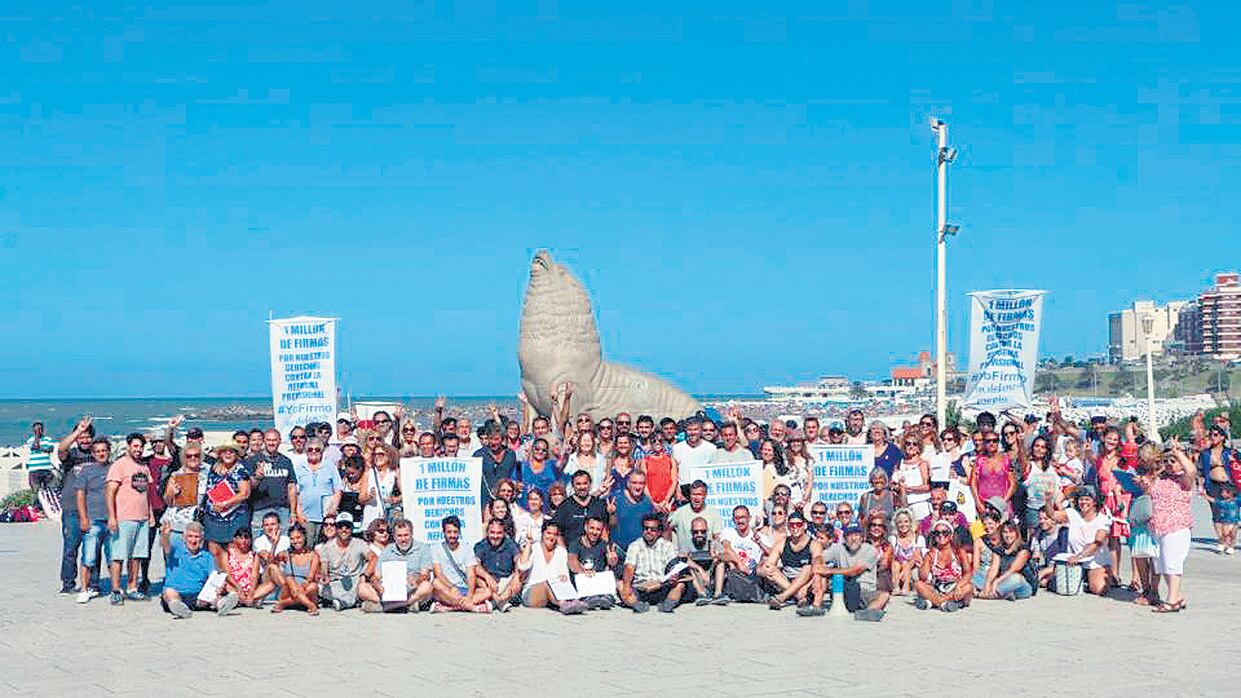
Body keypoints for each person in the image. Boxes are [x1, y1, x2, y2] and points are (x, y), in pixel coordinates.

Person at [105, 433, 155, 605]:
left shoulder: (144, 467)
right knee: (118, 555)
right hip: (124, 518)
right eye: (135, 446)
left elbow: (146, 494)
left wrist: (150, 514)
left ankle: (132, 587)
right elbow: (110, 492)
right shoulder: (119, 465)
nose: (138, 450)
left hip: (142, 518)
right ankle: (116, 589)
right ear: (128, 446)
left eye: (141, 447)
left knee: (137, 556)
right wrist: (112, 516)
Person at [159, 521, 238, 618]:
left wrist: (219, 586)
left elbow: (213, 575)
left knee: (212, 594)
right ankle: (179, 608)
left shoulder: (207, 556)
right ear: (184, 537)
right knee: (169, 593)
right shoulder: (175, 550)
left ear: (202, 538)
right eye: (190, 536)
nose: (193, 540)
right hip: (176, 592)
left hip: (197, 595)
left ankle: (222, 604)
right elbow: (164, 544)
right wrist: (165, 535)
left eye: (196, 537)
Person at [1152, 440, 1197, 612]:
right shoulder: (1161, 479)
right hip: (1159, 526)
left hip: (1177, 526)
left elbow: (1191, 470)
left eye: (1173, 461)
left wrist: (1178, 453)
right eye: (1167, 460)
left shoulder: (1183, 479)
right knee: (1163, 564)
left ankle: (1171, 600)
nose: (1169, 464)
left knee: (1172, 563)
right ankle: (1177, 596)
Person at [57, 416, 98, 593]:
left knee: (93, 548)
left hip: (93, 509)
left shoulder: (97, 455)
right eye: (82, 437)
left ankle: (93, 584)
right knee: (70, 548)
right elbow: (61, 448)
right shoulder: (72, 455)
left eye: (88, 436)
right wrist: (78, 431)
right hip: (72, 508)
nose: (85, 440)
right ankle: (68, 583)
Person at [1048, 486, 1112, 595]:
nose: (1083, 502)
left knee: (1098, 589)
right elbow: (1053, 515)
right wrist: (1048, 500)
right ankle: (1082, 579)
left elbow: (1097, 543)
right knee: (1046, 582)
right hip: (1073, 560)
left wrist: (1079, 557)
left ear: (1095, 502)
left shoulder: (1103, 519)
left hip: (1094, 562)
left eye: (1087, 499)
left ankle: (1106, 576)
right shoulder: (1072, 513)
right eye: (1081, 499)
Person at [820, 523, 889, 621]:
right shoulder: (839, 548)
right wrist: (818, 564)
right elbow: (820, 557)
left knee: (884, 595)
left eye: (857, 535)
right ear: (845, 539)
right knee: (820, 574)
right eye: (849, 535)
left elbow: (856, 570)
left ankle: (867, 612)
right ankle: (816, 605)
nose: (853, 538)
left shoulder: (870, 550)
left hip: (865, 590)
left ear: (862, 538)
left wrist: (829, 571)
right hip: (846, 589)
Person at [518, 520, 587, 614]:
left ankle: (572, 601)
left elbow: (564, 574)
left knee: (559, 583)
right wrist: (529, 544)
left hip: (554, 590)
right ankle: (562, 604)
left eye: (555, 534)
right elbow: (522, 567)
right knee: (547, 584)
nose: (551, 537)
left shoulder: (561, 551)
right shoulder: (534, 548)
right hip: (532, 593)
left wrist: (563, 577)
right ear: (543, 533)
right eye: (549, 533)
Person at [74, 438, 113, 604]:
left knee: (113, 558)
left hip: (112, 520)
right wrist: (83, 517)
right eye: (97, 451)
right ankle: (84, 589)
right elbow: (80, 494)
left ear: (109, 451)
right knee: (88, 557)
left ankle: (116, 589)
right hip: (93, 520)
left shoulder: (114, 468)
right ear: (93, 454)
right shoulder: (87, 470)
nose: (101, 454)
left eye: (103, 450)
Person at [620, 514, 685, 613]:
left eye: (652, 529)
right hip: (640, 589)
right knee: (621, 584)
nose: (648, 531)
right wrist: (627, 587)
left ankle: (668, 604)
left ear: (659, 532)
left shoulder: (668, 546)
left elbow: (673, 568)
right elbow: (629, 567)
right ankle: (636, 604)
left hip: (662, 587)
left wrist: (672, 578)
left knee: (680, 585)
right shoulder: (634, 546)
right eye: (646, 528)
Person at [763, 511, 824, 613]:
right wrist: (766, 568)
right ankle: (797, 595)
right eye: (791, 525)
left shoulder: (814, 544)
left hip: (805, 583)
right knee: (769, 569)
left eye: (798, 524)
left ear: (804, 525)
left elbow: (818, 569)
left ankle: (783, 597)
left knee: (809, 567)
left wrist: (806, 587)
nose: (795, 527)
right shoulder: (782, 543)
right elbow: (769, 564)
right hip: (786, 581)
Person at [370, 518, 434, 613]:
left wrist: (417, 580)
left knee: (427, 586)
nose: (403, 539)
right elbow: (376, 576)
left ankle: (388, 607)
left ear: (412, 534)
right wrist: (377, 585)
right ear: (394, 537)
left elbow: (425, 575)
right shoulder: (387, 550)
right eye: (399, 536)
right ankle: (407, 605)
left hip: (412, 589)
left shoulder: (423, 548)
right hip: (390, 589)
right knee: (362, 588)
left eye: (406, 535)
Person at [318, 511, 377, 611]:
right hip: (335, 581)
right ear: (336, 528)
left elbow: (373, 558)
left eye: (347, 527)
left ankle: (343, 601)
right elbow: (324, 566)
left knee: (362, 587)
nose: (344, 530)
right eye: (340, 526)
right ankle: (349, 601)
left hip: (355, 580)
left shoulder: (359, 543)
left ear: (352, 528)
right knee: (319, 587)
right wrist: (324, 575)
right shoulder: (326, 547)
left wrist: (364, 575)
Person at [430, 515, 489, 613]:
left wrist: (469, 595)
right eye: (449, 532)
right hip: (447, 589)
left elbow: (471, 574)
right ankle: (472, 607)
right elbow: (439, 573)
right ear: (443, 532)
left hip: (464, 588)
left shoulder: (466, 548)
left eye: (455, 532)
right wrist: (451, 587)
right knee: (435, 583)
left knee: (487, 591)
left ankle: (451, 608)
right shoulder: (435, 548)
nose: (452, 535)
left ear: (459, 532)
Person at [247, 429, 298, 539]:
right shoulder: (253, 460)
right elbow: (248, 488)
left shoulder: (286, 461)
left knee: (284, 541)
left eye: (274, 440)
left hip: (282, 508)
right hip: (260, 508)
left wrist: (293, 512)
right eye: (269, 440)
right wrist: (257, 477)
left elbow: (291, 487)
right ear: (264, 441)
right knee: (259, 542)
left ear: (280, 441)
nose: (271, 443)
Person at [912, 519, 973, 612]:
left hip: (954, 587)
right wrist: (927, 560)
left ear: (951, 535)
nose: (941, 535)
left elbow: (968, 573)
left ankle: (933, 602)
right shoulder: (931, 554)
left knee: (968, 587)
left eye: (945, 532)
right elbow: (923, 578)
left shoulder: (959, 552)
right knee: (918, 584)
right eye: (937, 533)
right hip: (937, 588)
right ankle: (944, 603)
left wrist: (959, 586)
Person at [711, 505, 766, 604]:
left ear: (749, 518)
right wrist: (738, 564)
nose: (740, 521)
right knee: (721, 558)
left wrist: (760, 544)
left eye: (743, 517)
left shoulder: (759, 536)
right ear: (733, 520)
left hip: (751, 574)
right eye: (737, 518)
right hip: (733, 570)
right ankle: (718, 594)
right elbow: (727, 548)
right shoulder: (728, 532)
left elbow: (772, 554)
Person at [294, 438, 343, 545]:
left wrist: (333, 508)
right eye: (310, 449)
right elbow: (295, 493)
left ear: (322, 451)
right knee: (308, 546)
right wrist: (299, 513)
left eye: (317, 449)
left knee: (325, 546)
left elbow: (338, 490)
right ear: (306, 451)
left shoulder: (330, 466)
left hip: (326, 517)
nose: (313, 451)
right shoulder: (299, 468)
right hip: (306, 517)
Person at [567, 515, 621, 609]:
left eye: (598, 529)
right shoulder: (575, 543)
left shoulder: (604, 545)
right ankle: (589, 598)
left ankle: (606, 598)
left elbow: (612, 565)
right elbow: (572, 562)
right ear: (585, 527)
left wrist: (612, 562)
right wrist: (583, 571)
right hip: (584, 581)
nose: (595, 532)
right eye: (592, 528)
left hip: (598, 581)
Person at [1198, 424, 1238, 553]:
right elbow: (1200, 471)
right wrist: (1201, 486)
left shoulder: (1229, 452)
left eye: (1215, 435)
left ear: (1222, 437)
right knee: (1216, 515)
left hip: (1229, 484)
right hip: (1212, 484)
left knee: (1232, 515)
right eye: (1211, 435)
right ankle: (1221, 541)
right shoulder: (1205, 453)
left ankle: (1231, 543)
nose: (1212, 437)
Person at [270, 523, 321, 614]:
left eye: (298, 537)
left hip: (306, 591)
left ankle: (284, 603)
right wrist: (274, 545)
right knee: (289, 578)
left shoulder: (313, 555)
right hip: (289, 591)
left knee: (313, 586)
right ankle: (310, 605)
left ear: (304, 537)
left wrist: (299, 590)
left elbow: (310, 578)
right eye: (292, 539)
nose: (295, 541)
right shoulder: (286, 554)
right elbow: (270, 562)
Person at [474, 519, 524, 612]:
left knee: (519, 577)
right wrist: (487, 577)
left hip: (506, 581)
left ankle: (497, 601)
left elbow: (518, 561)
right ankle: (500, 602)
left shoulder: (510, 544)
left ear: (504, 533)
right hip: (488, 584)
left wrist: (516, 577)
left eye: (499, 533)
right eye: (492, 532)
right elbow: (476, 565)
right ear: (487, 532)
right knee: (476, 575)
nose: (495, 536)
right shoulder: (480, 545)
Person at [980, 521, 1034, 600]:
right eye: (1005, 532)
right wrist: (987, 584)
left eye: (1011, 532)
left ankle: (992, 593)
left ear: (1016, 533)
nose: (1008, 535)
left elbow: (1013, 570)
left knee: (1016, 578)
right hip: (1003, 581)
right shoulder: (999, 549)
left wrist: (996, 582)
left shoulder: (1023, 548)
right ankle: (993, 592)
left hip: (1022, 585)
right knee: (976, 574)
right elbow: (993, 569)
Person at [551, 470, 607, 543]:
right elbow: (556, 532)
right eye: (578, 484)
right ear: (573, 485)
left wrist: (611, 513)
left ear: (590, 484)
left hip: (596, 549)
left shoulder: (599, 504)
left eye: (585, 483)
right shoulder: (564, 506)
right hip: (571, 548)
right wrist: (564, 548)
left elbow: (609, 527)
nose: (582, 487)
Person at [224, 527, 275, 607]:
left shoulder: (254, 555)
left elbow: (255, 577)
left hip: (249, 589)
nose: (244, 541)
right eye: (241, 538)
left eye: (247, 538)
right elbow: (227, 574)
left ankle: (243, 600)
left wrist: (250, 594)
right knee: (223, 584)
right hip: (233, 587)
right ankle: (241, 600)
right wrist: (238, 588)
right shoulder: (228, 553)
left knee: (271, 585)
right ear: (235, 539)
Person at [667, 480, 723, 551]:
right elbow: (666, 528)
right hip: (685, 556)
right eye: (693, 494)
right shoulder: (680, 512)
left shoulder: (714, 513)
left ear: (705, 495)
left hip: (707, 555)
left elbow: (717, 538)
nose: (696, 498)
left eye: (699, 494)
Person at [610, 470, 656, 554]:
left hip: (640, 552)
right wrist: (611, 513)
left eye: (641, 483)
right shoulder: (615, 498)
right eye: (634, 483)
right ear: (628, 483)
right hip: (619, 551)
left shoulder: (648, 502)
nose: (638, 487)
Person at [672, 416, 717, 500]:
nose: (692, 432)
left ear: (701, 430)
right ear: (685, 431)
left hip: (703, 490)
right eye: (689, 430)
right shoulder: (677, 448)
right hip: (683, 489)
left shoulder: (711, 448)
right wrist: (677, 491)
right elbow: (674, 472)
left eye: (695, 429)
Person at [476, 424, 517, 509]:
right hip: (485, 499)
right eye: (491, 439)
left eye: (496, 439)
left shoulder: (510, 454)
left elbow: (514, 476)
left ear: (502, 439)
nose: (493, 442)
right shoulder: (479, 455)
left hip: (505, 499)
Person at [894, 435, 932, 520]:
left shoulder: (922, 463)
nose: (911, 446)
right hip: (903, 503)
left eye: (915, 444)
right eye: (908, 443)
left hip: (920, 503)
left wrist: (908, 488)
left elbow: (927, 486)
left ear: (919, 447)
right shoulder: (900, 463)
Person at [889, 508, 925, 596]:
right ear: (896, 524)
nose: (903, 525)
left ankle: (906, 587)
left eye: (906, 521)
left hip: (913, 566)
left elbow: (915, 557)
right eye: (900, 522)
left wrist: (903, 573)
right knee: (895, 563)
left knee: (906, 564)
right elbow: (892, 557)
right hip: (897, 567)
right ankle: (896, 587)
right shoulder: (893, 538)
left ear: (910, 523)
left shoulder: (918, 538)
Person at [641, 435, 678, 513]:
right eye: (654, 441)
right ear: (650, 443)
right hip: (651, 503)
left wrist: (665, 500)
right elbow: (644, 483)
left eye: (660, 440)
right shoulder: (645, 461)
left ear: (664, 442)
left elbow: (674, 482)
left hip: (667, 503)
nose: (657, 443)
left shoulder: (670, 460)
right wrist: (652, 502)